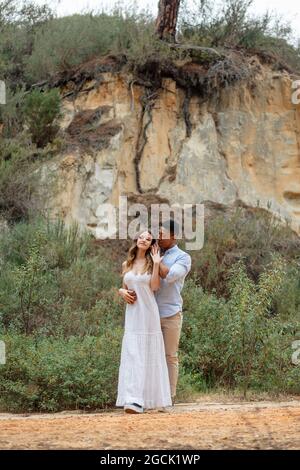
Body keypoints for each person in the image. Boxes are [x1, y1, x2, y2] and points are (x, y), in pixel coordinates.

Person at [116, 230, 172, 414]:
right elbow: (126, 288)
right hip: (132, 315)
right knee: (133, 355)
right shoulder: (127, 263)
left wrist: (156, 264)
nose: (144, 240)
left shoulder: (152, 263)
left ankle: (149, 400)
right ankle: (133, 399)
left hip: (148, 314)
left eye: (148, 239)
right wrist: (120, 292)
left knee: (147, 356)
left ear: (151, 245)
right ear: (136, 240)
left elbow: (154, 287)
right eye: (141, 237)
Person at [155, 219, 192, 406]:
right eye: (158, 233)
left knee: (170, 355)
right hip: (150, 313)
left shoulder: (183, 257)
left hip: (171, 313)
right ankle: (152, 395)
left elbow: (169, 276)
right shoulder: (153, 252)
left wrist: (155, 261)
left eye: (162, 234)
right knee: (151, 355)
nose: (158, 237)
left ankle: (169, 397)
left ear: (174, 236)